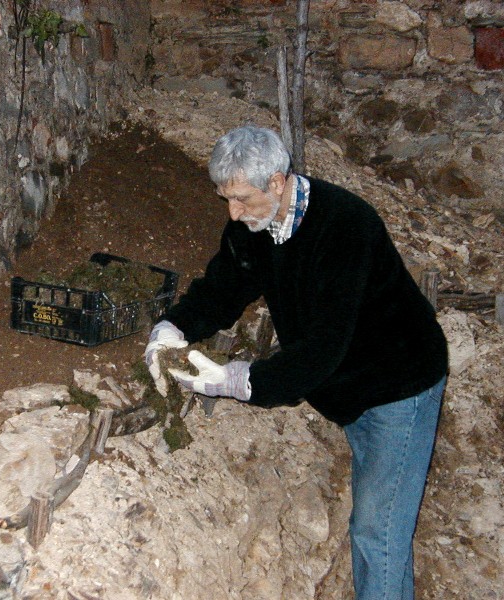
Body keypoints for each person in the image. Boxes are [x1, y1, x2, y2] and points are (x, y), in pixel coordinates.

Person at [144, 126, 448, 600]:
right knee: (373, 512)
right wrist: (171, 328)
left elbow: (322, 350)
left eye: (243, 198)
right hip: (347, 384)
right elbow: (224, 288)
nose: (233, 211)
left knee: (377, 531)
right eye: (226, 198)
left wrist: (234, 381)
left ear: (279, 183)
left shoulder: (346, 226)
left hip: (398, 385)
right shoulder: (252, 226)